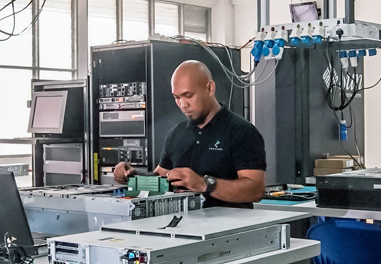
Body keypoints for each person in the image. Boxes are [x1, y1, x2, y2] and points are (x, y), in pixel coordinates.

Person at [112, 60, 266, 208]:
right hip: (181, 223)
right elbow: (161, 177)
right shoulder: (176, 134)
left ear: (210, 88)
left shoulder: (241, 132)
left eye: (189, 96)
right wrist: (133, 176)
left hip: (228, 225)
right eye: (177, 98)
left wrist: (204, 184)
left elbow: (256, 190)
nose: (183, 105)